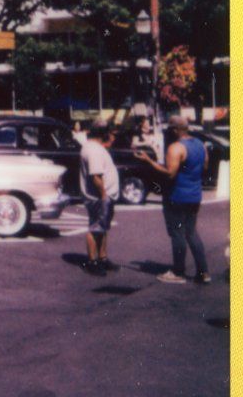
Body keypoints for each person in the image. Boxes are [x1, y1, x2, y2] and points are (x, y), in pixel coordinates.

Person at [135, 115, 211, 284]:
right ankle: (203, 272)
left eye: (170, 129)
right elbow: (205, 166)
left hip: (177, 196)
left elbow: (170, 173)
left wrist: (149, 161)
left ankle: (178, 272)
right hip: (194, 195)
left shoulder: (175, 148)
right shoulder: (200, 145)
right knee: (191, 232)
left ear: (175, 130)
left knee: (177, 234)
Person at [79, 123, 119, 275]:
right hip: (99, 196)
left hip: (104, 195)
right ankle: (92, 261)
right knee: (96, 228)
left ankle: (102, 258)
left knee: (102, 227)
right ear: (104, 134)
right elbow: (96, 175)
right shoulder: (93, 150)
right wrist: (103, 195)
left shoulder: (94, 147)